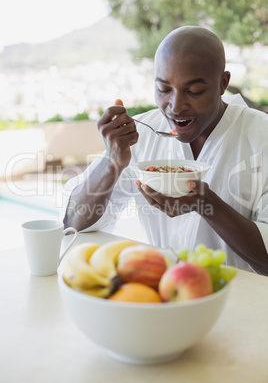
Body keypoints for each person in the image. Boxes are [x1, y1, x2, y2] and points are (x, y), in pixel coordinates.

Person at [63, 26, 268, 275]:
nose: (176, 106)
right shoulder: (143, 135)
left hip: (246, 304)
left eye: (194, 91)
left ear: (223, 83)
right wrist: (112, 162)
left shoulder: (261, 137)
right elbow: (73, 223)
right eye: (164, 89)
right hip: (165, 296)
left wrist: (206, 204)